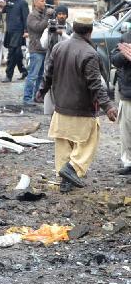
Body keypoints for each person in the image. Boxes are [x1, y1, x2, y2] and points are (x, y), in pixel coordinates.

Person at [37, 12, 117, 192]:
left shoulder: (59, 47)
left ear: (73, 28)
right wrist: (108, 106)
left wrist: (41, 90)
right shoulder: (89, 53)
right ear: (90, 31)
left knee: (64, 143)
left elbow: (48, 73)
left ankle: (65, 181)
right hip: (82, 108)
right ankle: (72, 169)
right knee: (88, 141)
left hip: (61, 105)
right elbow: (95, 84)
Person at [23, 0, 50, 107]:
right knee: (32, 75)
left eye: (45, 0)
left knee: (41, 76)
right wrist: (47, 17)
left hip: (44, 49)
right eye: (42, 1)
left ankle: (37, 96)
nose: (44, 3)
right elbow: (38, 28)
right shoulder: (31, 16)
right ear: (35, 3)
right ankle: (27, 98)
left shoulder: (44, 15)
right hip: (36, 50)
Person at [111, 31, 131, 176]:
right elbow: (114, 60)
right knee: (126, 131)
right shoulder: (126, 37)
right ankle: (129, 162)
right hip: (128, 93)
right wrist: (124, 54)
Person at [3, 0, 28, 82]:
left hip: (19, 32)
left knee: (12, 53)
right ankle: (23, 70)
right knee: (17, 54)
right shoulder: (7, 1)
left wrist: (26, 31)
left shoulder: (23, 2)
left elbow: (26, 18)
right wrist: (4, 2)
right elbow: (2, 10)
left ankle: (8, 75)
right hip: (9, 31)